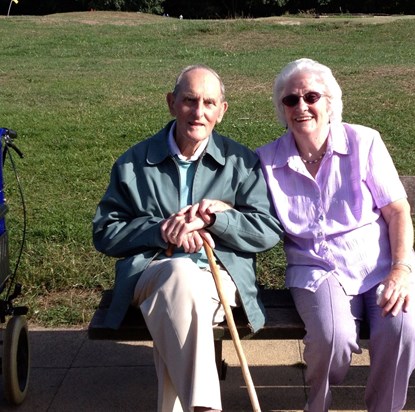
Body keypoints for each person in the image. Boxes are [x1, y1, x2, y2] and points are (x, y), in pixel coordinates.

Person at [93, 65, 282, 412]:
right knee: (179, 279)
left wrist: (216, 222)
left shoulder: (241, 162)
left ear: (222, 111)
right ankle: (205, 407)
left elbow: (267, 230)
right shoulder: (134, 163)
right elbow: (105, 232)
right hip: (152, 272)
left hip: (220, 276)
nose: (199, 112)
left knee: (180, 300)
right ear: (171, 103)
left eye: (209, 103)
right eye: (189, 100)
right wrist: (158, 230)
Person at [256, 58, 415, 412]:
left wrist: (401, 269)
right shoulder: (268, 160)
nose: (301, 106)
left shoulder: (364, 142)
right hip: (316, 268)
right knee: (332, 339)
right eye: (290, 100)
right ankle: (317, 406)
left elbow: (397, 211)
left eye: (311, 97)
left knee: (401, 332)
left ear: (330, 102)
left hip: (381, 264)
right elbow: (243, 203)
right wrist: (215, 208)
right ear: (282, 109)